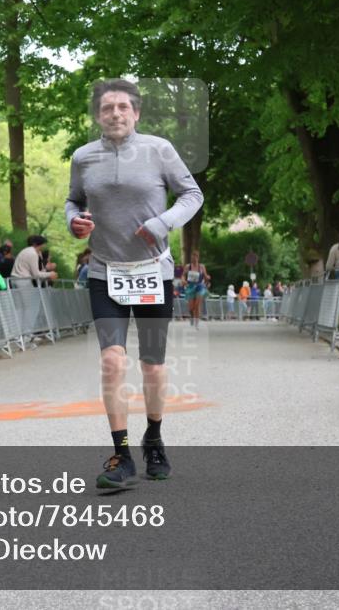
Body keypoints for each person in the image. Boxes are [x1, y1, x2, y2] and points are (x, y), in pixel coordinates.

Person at [66, 78, 203, 489]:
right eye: (107, 108)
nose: (116, 113)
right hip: (105, 271)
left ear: (137, 113)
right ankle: (121, 454)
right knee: (112, 362)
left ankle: (154, 438)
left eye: (124, 107)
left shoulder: (159, 149)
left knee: (153, 367)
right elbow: (74, 200)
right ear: (97, 115)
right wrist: (73, 221)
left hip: (152, 271)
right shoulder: (83, 157)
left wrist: (163, 222)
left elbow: (191, 194)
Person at [183, 250, 209, 327]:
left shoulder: (201, 266)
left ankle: (197, 322)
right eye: (193, 256)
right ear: (191, 257)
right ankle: (192, 316)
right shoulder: (188, 266)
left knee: (197, 305)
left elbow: (205, 276)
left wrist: (207, 278)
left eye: (196, 257)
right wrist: (183, 280)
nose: (194, 258)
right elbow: (183, 275)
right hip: (190, 287)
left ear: (198, 258)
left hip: (199, 286)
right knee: (191, 307)